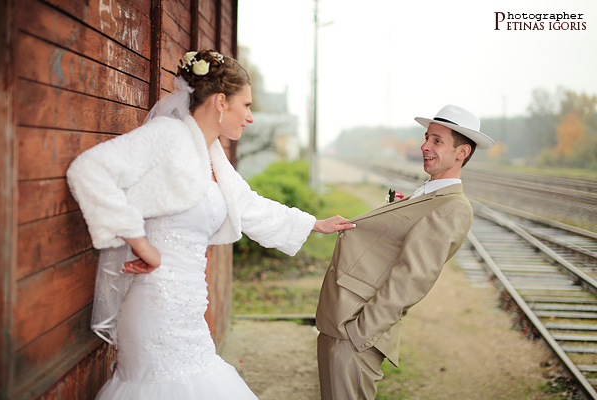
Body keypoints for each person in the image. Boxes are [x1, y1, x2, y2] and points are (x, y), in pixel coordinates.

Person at [66, 49, 354, 399]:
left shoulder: (210, 154)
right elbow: (89, 169)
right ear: (221, 102)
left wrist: (313, 223)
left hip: (189, 310)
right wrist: (140, 243)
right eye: (246, 105)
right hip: (155, 308)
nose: (250, 117)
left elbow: (246, 204)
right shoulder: (167, 136)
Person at [315, 104, 495, 400]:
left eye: (437, 141)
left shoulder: (452, 207)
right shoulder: (428, 193)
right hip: (339, 322)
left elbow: (412, 278)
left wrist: (359, 333)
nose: (425, 146)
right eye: (427, 138)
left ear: (461, 153)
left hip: (354, 331)